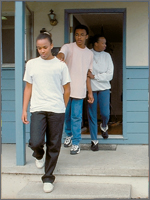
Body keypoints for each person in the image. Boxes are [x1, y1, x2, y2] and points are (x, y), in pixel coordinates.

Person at [21, 30, 71, 193]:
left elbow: (67, 89)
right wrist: (24, 109)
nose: (42, 51)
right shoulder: (31, 64)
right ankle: (38, 153)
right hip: (38, 109)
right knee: (35, 141)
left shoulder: (60, 65)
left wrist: (62, 107)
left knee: (54, 144)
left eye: (44, 47)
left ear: (51, 46)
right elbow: (28, 87)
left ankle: (48, 177)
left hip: (56, 109)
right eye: (39, 48)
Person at [57, 24, 94, 155]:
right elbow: (62, 53)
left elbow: (88, 75)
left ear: (86, 36)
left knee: (76, 117)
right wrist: (60, 56)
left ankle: (76, 143)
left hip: (79, 90)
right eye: (77, 34)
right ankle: (69, 135)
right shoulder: (68, 47)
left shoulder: (89, 54)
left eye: (82, 35)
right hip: (65, 89)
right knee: (65, 115)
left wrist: (90, 92)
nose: (79, 37)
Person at [87, 34, 114, 151]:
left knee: (105, 113)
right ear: (96, 44)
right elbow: (86, 73)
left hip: (104, 88)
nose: (105, 45)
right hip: (91, 89)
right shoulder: (88, 54)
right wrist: (89, 87)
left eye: (105, 43)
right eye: (103, 43)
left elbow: (110, 75)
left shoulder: (107, 56)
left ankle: (104, 126)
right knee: (92, 115)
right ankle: (94, 140)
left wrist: (95, 76)